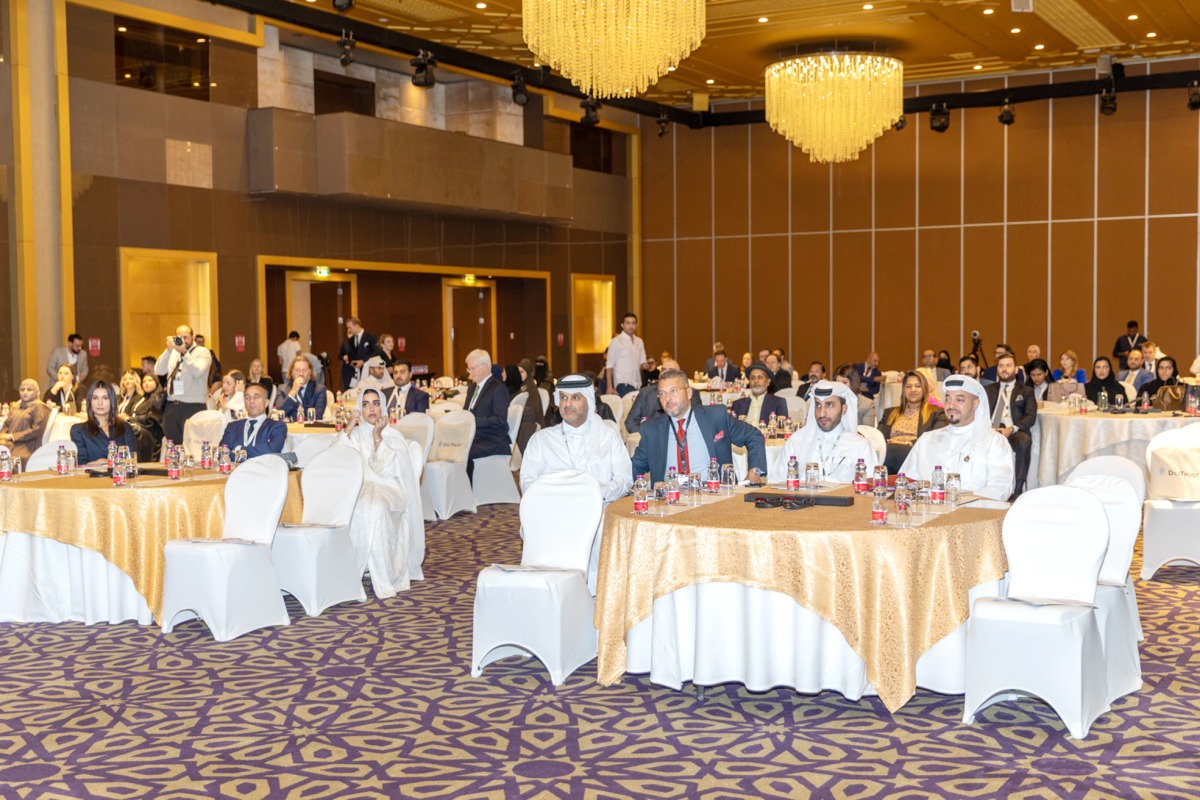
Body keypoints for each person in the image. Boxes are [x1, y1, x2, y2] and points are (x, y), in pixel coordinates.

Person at [334, 386, 424, 599]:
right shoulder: (353, 435)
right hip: (360, 488)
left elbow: (384, 469)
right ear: (359, 409)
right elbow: (337, 459)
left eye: (376, 403)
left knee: (375, 506)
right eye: (365, 404)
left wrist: (377, 436)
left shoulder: (393, 436)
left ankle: (382, 575)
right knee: (356, 505)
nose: (371, 409)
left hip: (389, 489)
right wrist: (348, 428)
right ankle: (352, 571)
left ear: (383, 407)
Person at [631, 368, 767, 484]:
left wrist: (755, 472)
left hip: (714, 496)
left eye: (673, 391)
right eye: (662, 393)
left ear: (689, 393)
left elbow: (754, 436)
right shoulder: (651, 429)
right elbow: (636, 465)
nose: (668, 398)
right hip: (670, 500)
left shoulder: (716, 416)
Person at [900, 375, 1015, 502]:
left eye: (959, 400)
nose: (951, 405)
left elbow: (1001, 488)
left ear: (975, 403)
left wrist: (961, 501)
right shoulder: (927, 440)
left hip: (972, 514)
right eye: (948, 399)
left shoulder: (994, 442)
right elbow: (907, 481)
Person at [521, 373, 632, 503]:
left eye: (575, 398)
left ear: (589, 402)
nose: (568, 403)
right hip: (553, 511)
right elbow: (527, 482)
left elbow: (625, 479)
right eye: (563, 397)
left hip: (598, 511)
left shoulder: (609, 437)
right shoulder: (540, 440)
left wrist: (597, 493)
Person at [783, 380, 878, 483]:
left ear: (844, 408)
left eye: (829, 405)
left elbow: (871, 488)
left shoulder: (860, 445)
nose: (822, 413)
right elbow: (777, 483)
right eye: (818, 405)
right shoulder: (796, 442)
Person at [984, 353, 1037, 498]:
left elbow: (1030, 416)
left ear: (1015, 370)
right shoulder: (988, 390)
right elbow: (980, 413)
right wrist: (988, 427)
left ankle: (1018, 490)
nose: (1004, 369)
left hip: (1013, 431)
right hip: (990, 430)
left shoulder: (1026, 391)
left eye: (1008, 365)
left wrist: (1011, 429)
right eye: (1001, 366)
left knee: (1024, 441)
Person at [878, 371, 948, 473]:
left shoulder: (937, 413)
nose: (913, 390)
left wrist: (904, 443)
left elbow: (935, 440)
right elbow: (878, 437)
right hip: (889, 456)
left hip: (916, 455)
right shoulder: (890, 413)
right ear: (903, 390)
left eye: (917, 386)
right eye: (909, 386)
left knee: (888, 452)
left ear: (924, 389)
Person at [155, 324, 213, 444]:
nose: (183, 340)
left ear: (193, 337)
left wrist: (185, 353)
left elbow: (198, 371)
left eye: (186, 337)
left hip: (193, 406)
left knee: (193, 446)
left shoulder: (203, 352)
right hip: (172, 406)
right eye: (179, 337)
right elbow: (158, 370)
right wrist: (168, 351)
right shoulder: (173, 353)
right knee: (173, 445)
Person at [463, 349, 510, 481]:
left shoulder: (498, 388)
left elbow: (500, 420)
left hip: (492, 439)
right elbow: (467, 412)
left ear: (484, 367)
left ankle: (470, 492)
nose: (470, 373)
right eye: (469, 369)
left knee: (464, 452)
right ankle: (459, 491)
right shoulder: (472, 387)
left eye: (473, 369)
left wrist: (473, 421)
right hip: (474, 436)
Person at [625, 358, 700, 435]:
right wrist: (648, 433)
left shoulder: (689, 392)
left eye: (671, 370)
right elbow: (630, 421)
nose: (666, 373)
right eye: (663, 370)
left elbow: (696, 419)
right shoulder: (645, 392)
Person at [70, 380, 137, 467]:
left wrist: (104, 461)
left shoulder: (125, 428)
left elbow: (132, 461)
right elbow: (82, 464)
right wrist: (116, 461)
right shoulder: (78, 430)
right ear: (89, 402)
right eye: (95, 398)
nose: (100, 403)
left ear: (112, 401)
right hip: (93, 478)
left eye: (105, 398)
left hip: (121, 478)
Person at [218, 383, 286, 460]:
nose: (251, 401)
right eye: (247, 398)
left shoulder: (277, 426)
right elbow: (221, 453)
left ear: (266, 402)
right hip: (236, 471)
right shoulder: (232, 427)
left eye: (257, 397)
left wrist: (239, 450)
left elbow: (271, 449)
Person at [0, 379, 50, 460]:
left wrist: (11, 436)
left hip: (27, 445)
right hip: (12, 442)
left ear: (36, 391)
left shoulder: (39, 407)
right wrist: (2, 436)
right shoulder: (18, 406)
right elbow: (7, 424)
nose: (25, 392)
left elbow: (36, 430)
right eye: (22, 389)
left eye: (29, 390)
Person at [605, 313, 651, 397]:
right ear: (622, 325)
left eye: (633, 323)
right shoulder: (616, 341)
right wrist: (609, 386)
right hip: (623, 382)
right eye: (628, 323)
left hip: (637, 383)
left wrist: (647, 365)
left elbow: (642, 364)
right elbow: (609, 366)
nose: (631, 326)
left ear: (636, 325)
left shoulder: (639, 341)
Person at [277, 354, 327, 422]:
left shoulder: (319, 390)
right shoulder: (282, 389)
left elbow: (317, 417)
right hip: (288, 431)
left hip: (309, 431)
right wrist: (293, 391)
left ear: (310, 372)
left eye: (305, 370)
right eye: (297, 370)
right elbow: (280, 414)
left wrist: (291, 419)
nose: (301, 373)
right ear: (292, 372)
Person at [513, 358, 546, 454]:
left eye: (522, 372)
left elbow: (533, 411)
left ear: (527, 373)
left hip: (530, 421)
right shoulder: (519, 386)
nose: (519, 375)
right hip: (521, 418)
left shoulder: (531, 387)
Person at [338, 317, 377, 391]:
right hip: (354, 373)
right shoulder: (351, 340)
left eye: (350, 328)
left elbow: (376, 352)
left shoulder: (370, 337)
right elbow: (350, 355)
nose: (349, 330)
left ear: (356, 325)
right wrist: (352, 361)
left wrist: (363, 361)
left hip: (367, 371)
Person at [833, 363, 876, 428]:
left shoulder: (866, 404)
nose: (841, 387)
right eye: (837, 383)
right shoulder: (831, 402)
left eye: (844, 382)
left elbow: (868, 433)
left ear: (853, 382)